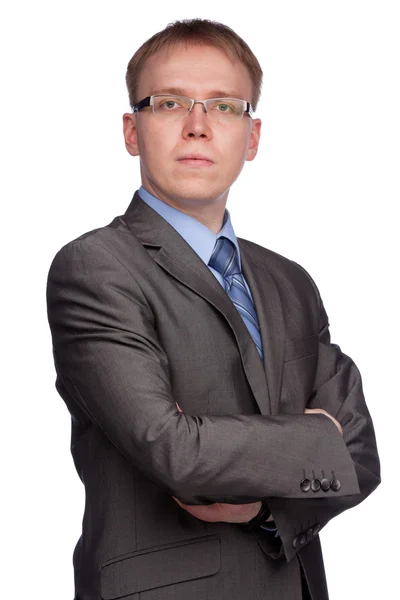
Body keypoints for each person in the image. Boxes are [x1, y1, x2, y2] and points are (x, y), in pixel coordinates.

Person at [46, 18, 381, 600]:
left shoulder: (290, 281)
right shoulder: (96, 268)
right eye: (170, 101)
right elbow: (173, 449)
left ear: (251, 138)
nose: (198, 126)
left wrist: (265, 510)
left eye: (225, 107)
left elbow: (361, 454)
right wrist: (313, 436)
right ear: (132, 130)